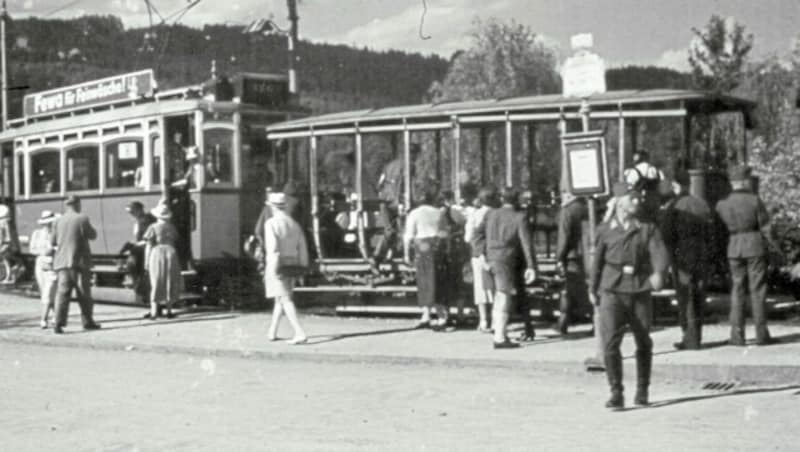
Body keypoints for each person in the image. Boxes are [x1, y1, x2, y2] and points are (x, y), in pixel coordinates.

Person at [591, 181, 669, 409]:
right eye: (632, 198)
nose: (638, 201)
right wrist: (592, 288)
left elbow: (660, 253)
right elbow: (596, 262)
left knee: (643, 340)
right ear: (619, 202)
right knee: (610, 343)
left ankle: (642, 390)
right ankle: (616, 391)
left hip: (639, 288)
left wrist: (659, 273)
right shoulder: (605, 230)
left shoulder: (647, 228)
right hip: (612, 289)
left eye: (638, 197)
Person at [715, 165, 774, 346]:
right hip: (754, 246)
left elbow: (718, 232)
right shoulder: (755, 200)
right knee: (758, 291)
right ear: (744, 181)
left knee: (737, 290)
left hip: (733, 248)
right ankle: (761, 334)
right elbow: (767, 229)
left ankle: (737, 335)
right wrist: (775, 248)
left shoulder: (721, 204)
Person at [476, 187, 537, 349]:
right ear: (516, 199)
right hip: (506, 260)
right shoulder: (520, 217)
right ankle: (500, 337)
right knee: (503, 297)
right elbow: (526, 243)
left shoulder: (490, 214)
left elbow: (477, 235)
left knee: (497, 295)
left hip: (489, 259)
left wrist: (480, 253)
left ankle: (499, 331)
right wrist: (531, 266)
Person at [661, 170, 712, 350]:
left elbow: (666, 235)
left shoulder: (673, 206)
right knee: (699, 295)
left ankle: (689, 337)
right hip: (701, 252)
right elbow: (710, 232)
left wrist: (667, 259)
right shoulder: (701, 204)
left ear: (675, 185)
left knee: (685, 296)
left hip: (681, 254)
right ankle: (697, 335)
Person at [264, 192, 310, 345]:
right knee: (281, 298)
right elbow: (302, 247)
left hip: (279, 263)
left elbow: (273, 249)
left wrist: (274, 268)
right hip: (293, 263)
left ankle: (299, 332)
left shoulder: (271, 224)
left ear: (272, 207)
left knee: (285, 299)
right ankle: (272, 331)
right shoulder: (294, 224)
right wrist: (302, 266)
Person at [51, 195, 101, 334]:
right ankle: (88, 322)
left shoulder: (58, 220)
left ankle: (58, 323)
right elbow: (92, 235)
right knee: (84, 294)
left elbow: (52, 242)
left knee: (62, 294)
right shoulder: (82, 218)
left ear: (66, 205)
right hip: (79, 262)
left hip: (61, 262)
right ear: (78, 204)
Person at [404, 184, 449, 330]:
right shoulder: (439, 213)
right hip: (437, 248)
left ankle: (427, 314)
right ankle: (441, 315)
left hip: (422, 249)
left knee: (424, 282)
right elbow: (445, 233)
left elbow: (408, 236)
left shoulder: (415, 213)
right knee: (438, 281)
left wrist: (406, 254)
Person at [372, 143, 421, 270]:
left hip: (385, 201)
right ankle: (403, 256)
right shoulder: (409, 165)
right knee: (407, 230)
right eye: (416, 155)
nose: (416, 158)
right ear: (412, 154)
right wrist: (402, 202)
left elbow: (380, 184)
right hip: (396, 202)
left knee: (391, 231)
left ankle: (385, 255)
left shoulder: (389, 165)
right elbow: (405, 185)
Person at [555, 191, 591, 335]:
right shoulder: (588, 207)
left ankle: (563, 322)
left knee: (567, 289)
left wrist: (559, 258)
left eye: (563, 192)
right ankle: (595, 320)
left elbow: (563, 236)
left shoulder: (567, 211)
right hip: (587, 254)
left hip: (572, 256)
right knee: (587, 287)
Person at [143, 201, 182, 320]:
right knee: (169, 280)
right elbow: (175, 240)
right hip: (171, 253)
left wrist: (146, 261)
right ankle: (169, 311)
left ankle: (154, 312)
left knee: (156, 281)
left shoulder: (153, 227)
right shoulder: (172, 227)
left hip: (157, 253)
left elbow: (148, 245)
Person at [465, 186, 496, 333]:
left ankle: (484, 321)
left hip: (478, 254)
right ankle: (497, 320)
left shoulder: (475, 215)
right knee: (496, 288)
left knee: (481, 288)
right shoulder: (497, 214)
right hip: (495, 253)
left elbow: (467, 237)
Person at [440, 189, 468, 326]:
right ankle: (460, 314)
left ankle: (446, 315)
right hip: (455, 251)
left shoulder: (437, 213)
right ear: (450, 199)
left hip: (442, 251)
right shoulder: (455, 211)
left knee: (445, 284)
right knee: (458, 283)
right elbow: (463, 222)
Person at [30, 210, 59, 329]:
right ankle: (55, 316)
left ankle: (44, 319)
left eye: (51, 223)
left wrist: (53, 251)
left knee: (49, 292)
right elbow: (32, 249)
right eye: (47, 223)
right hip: (40, 264)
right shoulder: (37, 233)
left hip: (53, 265)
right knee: (44, 292)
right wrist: (42, 252)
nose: (49, 225)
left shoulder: (56, 234)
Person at [125, 201, 156, 306]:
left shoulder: (145, 220)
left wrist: (136, 244)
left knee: (134, 267)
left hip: (143, 249)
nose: (131, 214)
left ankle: (143, 294)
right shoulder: (141, 220)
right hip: (140, 248)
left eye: (132, 211)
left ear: (138, 210)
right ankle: (142, 294)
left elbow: (147, 238)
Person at [623, 150, 665, 221]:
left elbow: (628, 187)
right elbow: (663, 185)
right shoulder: (657, 170)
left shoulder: (634, 171)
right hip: (655, 202)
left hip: (640, 203)